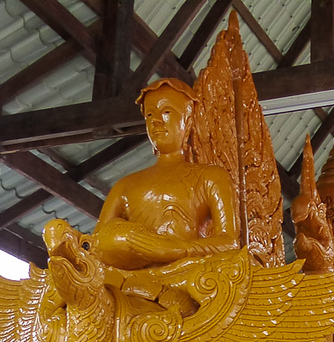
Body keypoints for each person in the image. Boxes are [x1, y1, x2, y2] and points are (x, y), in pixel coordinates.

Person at [88, 78, 239, 278]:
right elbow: (95, 246)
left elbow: (230, 242)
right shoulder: (125, 185)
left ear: (189, 121)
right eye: (150, 114)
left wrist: (177, 250)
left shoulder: (210, 176)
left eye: (167, 112)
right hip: (132, 282)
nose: (156, 120)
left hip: (189, 276)